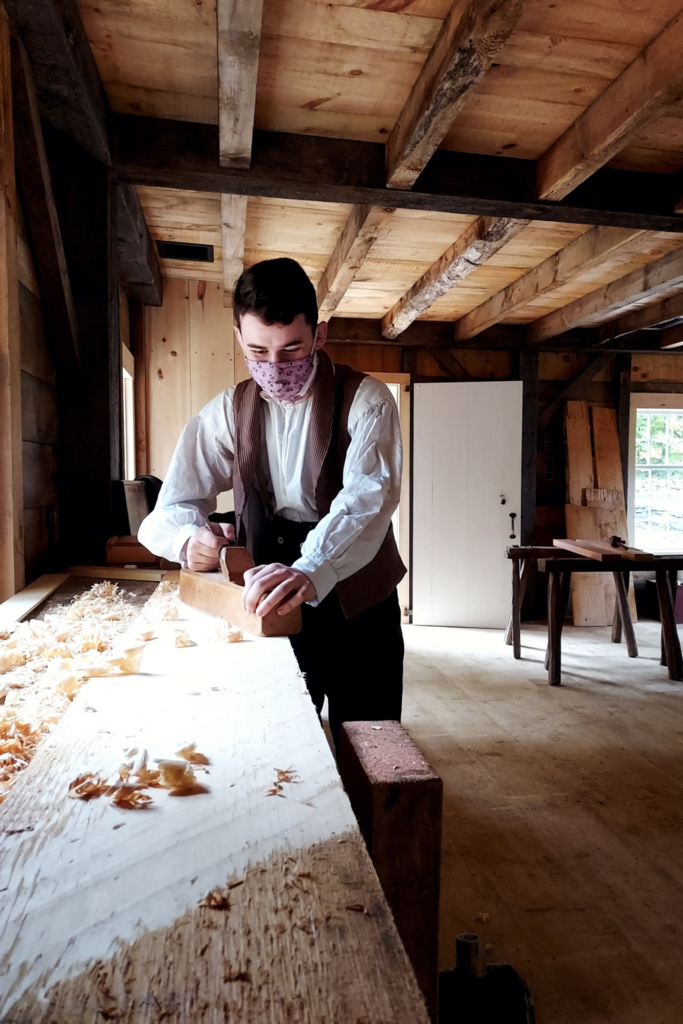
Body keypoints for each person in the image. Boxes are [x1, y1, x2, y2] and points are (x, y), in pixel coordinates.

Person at [138, 257, 406, 746]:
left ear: (319, 335)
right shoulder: (227, 411)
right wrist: (188, 539)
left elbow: (367, 502)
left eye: (292, 349)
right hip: (267, 601)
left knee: (372, 745)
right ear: (238, 337)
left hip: (360, 601)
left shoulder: (368, 402)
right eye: (258, 351)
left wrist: (311, 567)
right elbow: (169, 509)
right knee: (280, 743)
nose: (276, 367)